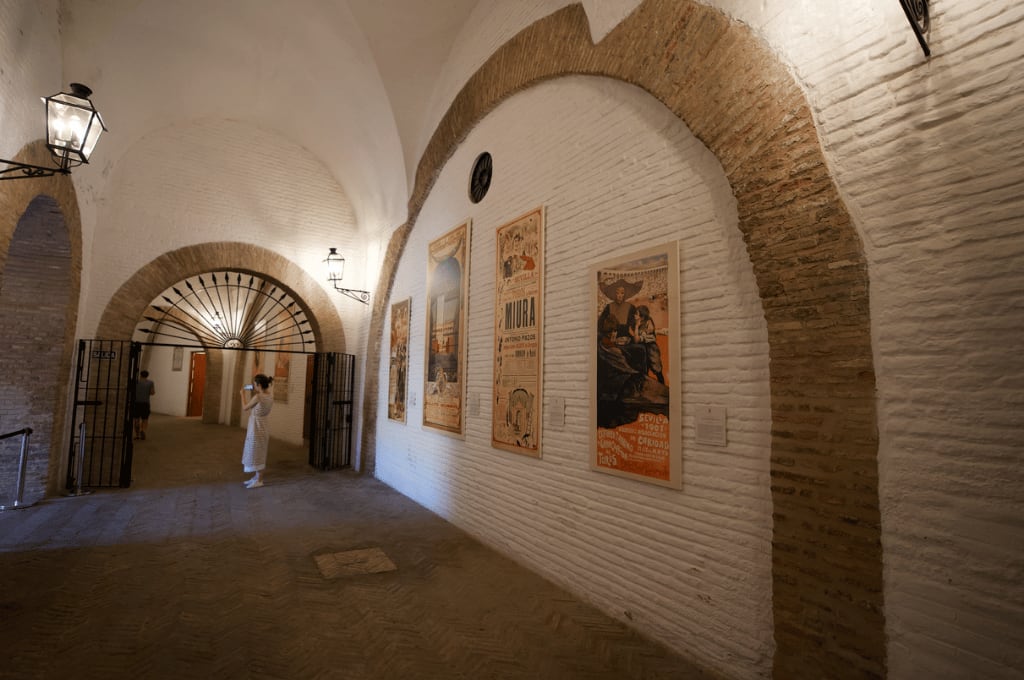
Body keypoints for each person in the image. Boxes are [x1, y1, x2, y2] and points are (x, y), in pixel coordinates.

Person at [240, 373, 274, 489]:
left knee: (256, 451)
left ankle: (259, 480)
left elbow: (245, 407)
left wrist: (242, 394)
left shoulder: (258, 397)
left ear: (259, 384)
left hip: (256, 427)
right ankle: (256, 477)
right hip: (262, 426)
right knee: (258, 451)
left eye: (255, 384)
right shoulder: (269, 395)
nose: (253, 386)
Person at [631, 305, 665, 384]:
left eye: (636, 314)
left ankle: (662, 386)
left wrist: (636, 327)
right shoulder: (638, 322)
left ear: (642, 317)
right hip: (643, 348)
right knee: (644, 369)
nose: (634, 315)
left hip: (651, 349)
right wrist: (636, 326)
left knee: (657, 369)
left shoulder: (648, 325)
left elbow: (637, 339)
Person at [133, 370, 155, 440]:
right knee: (145, 419)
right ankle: (143, 430)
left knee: (136, 419)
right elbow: (152, 393)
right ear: (147, 375)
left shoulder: (136, 382)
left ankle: (137, 435)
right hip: (145, 403)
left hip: (136, 403)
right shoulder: (150, 383)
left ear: (140, 375)